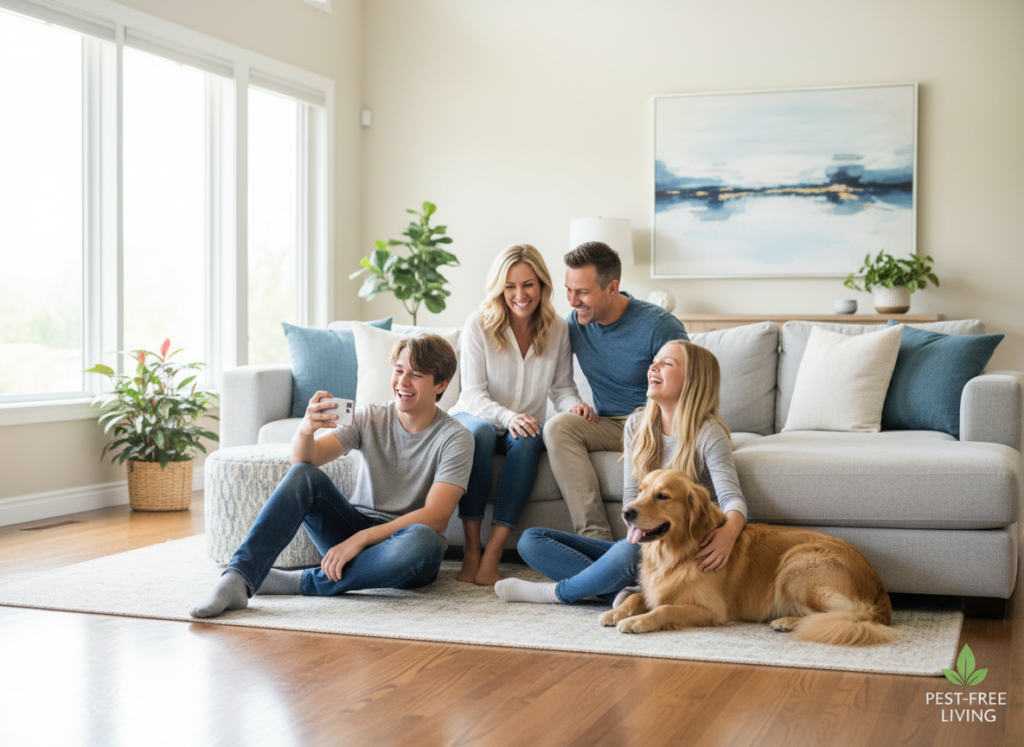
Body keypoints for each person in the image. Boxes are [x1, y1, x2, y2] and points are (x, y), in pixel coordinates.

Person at [190, 334, 473, 619]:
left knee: (424, 541)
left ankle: (298, 581)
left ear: (441, 384)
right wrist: (305, 430)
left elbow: (436, 516)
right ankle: (237, 578)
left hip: (404, 543)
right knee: (303, 475)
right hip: (351, 527)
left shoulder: (456, 438)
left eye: (416, 375)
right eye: (399, 370)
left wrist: (361, 539)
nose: (403, 381)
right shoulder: (369, 416)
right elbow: (304, 462)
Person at [495, 340, 748, 606]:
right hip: (645, 542)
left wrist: (728, 534)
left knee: (628, 552)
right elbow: (631, 496)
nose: (653, 367)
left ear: (693, 380)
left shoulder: (708, 432)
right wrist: (636, 533)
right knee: (530, 540)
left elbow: (731, 498)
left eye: (666, 363)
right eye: (654, 361)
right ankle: (620, 594)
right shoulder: (637, 425)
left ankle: (555, 593)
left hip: (683, 546)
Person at [448, 244, 584, 585]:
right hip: (476, 416)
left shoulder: (558, 328)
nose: (520, 295)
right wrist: (508, 417)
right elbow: (472, 394)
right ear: (499, 288)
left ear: (542, 285)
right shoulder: (478, 324)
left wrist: (575, 407)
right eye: (510, 286)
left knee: (529, 438)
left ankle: (493, 552)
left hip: (521, 427)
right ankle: (471, 550)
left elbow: (562, 389)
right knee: (480, 433)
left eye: (528, 285)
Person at [545, 241, 689, 540]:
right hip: (610, 424)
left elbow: (691, 389)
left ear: (612, 288)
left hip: (657, 422)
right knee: (558, 426)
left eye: (582, 292)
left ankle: (645, 542)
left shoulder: (659, 325)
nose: (572, 301)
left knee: (644, 425)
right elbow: (558, 381)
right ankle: (595, 539)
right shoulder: (576, 324)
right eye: (568, 290)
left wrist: (657, 420)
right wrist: (574, 404)